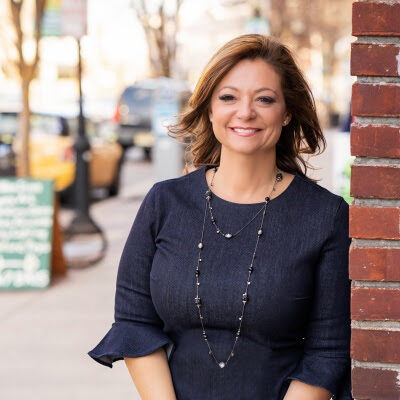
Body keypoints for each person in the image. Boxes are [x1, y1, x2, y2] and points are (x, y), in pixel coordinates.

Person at [88, 34, 352, 400]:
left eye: (264, 99)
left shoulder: (325, 215)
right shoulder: (165, 202)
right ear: (210, 109)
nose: (245, 112)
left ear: (287, 111)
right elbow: (135, 323)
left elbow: (327, 353)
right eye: (228, 97)